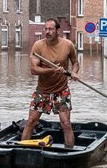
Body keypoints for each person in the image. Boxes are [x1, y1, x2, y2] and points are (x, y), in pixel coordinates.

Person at [22, 18, 80, 148]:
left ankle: (70, 152)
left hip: (62, 91)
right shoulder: (38, 46)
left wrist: (75, 72)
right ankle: (22, 149)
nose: (47, 32)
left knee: (66, 123)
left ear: (57, 31)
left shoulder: (68, 45)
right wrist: (52, 70)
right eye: (46, 29)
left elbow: (75, 62)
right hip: (43, 91)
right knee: (31, 121)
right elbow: (33, 69)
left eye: (50, 29)